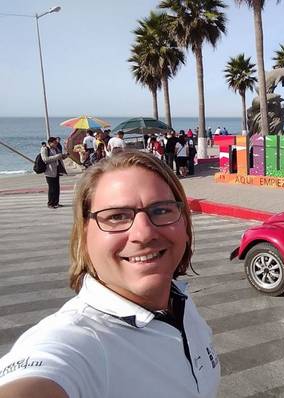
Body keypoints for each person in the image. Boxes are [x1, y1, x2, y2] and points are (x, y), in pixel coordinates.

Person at [0, 151, 220, 397]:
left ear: (185, 225)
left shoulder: (180, 301)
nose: (144, 233)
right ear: (84, 236)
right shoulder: (78, 343)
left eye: (161, 210)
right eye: (116, 216)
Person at [41, 137, 68, 209]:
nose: (56, 144)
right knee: (51, 188)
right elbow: (45, 159)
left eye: (57, 143)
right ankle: (50, 203)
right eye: (55, 143)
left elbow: (60, 156)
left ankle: (56, 202)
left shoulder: (56, 149)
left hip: (56, 170)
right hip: (49, 171)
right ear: (50, 143)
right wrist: (57, 156)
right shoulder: (45, 149)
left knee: (57, 187)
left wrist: (65, 155)